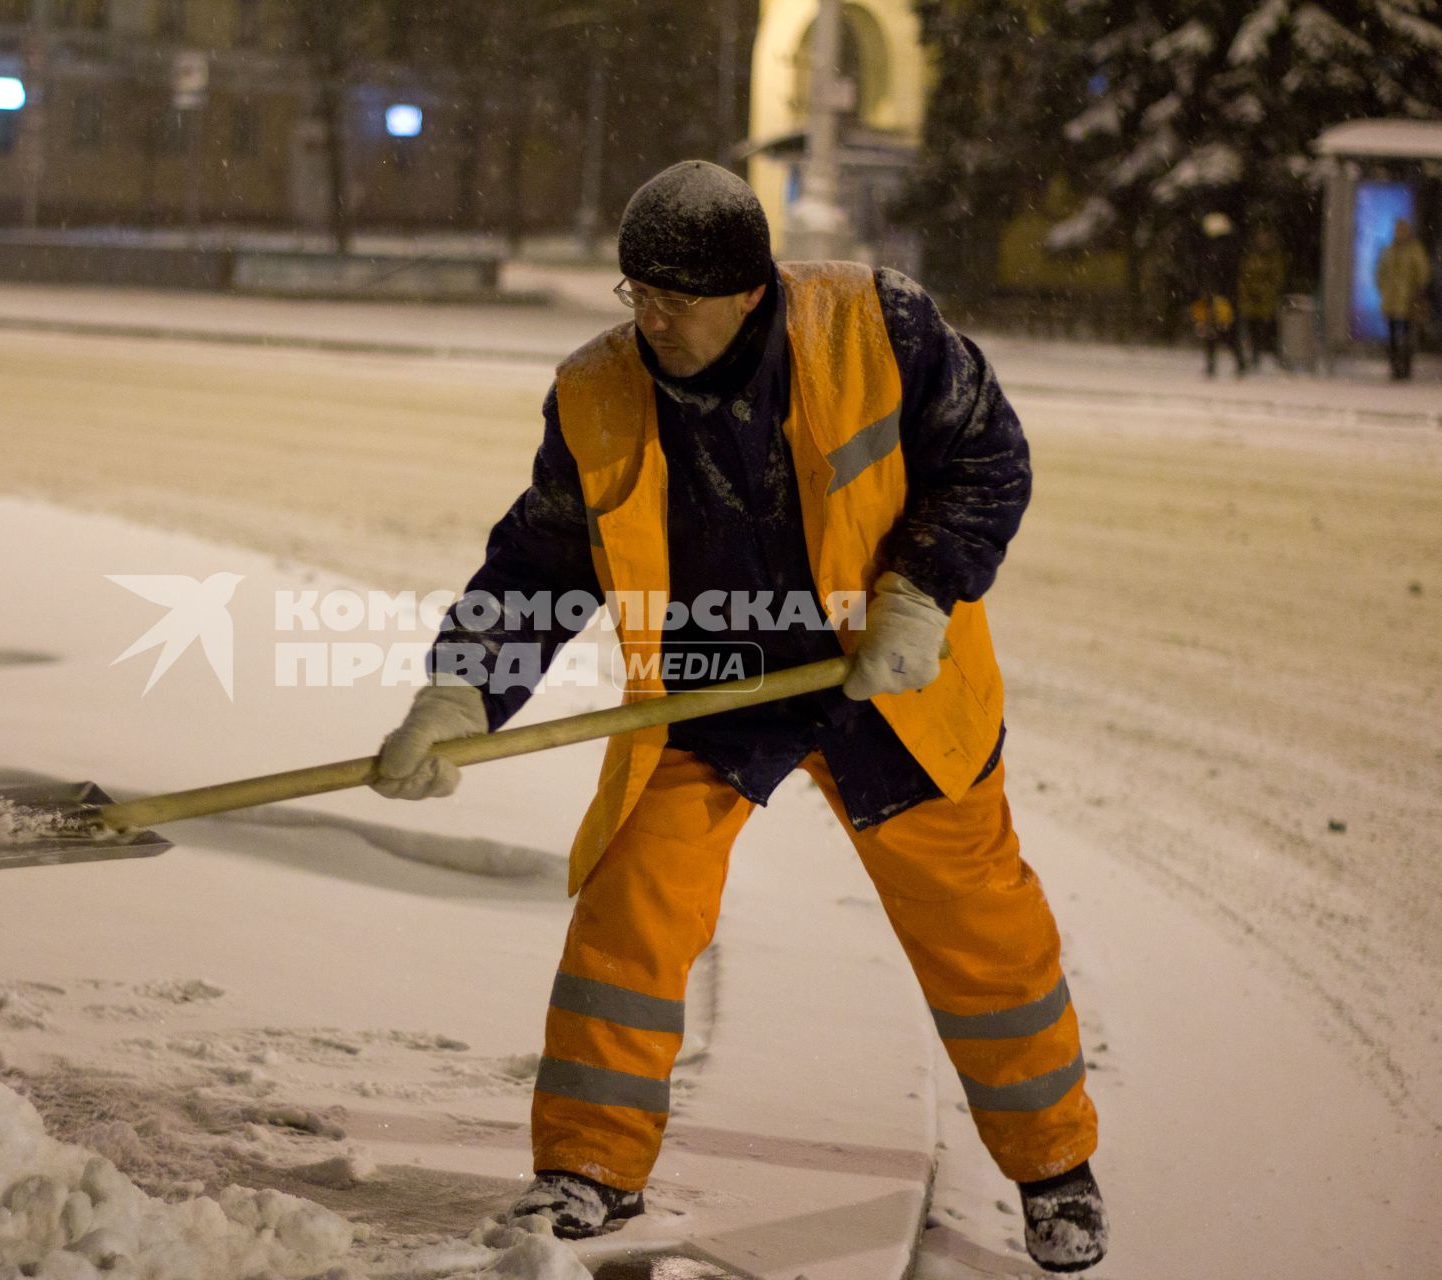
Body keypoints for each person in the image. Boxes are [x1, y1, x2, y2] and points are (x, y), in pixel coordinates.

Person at [370, 161, 1106, 1274]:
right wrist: (459, 690)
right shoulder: (597, 392)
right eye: (635, 292)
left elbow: (987, 458)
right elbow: (537, 563)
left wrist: (921, 590)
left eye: (674, 295)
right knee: (629, 909)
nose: (650, 317)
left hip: (887, 681)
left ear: (749, 291)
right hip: (714, 684)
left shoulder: (879, 327)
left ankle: (1055, 1169)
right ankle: (589, 1164)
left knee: (980, 928)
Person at [1375, 219, 1431, 381]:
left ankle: (1404, 367)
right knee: (1393, 336)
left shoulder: (1413, 251)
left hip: (1408, 301)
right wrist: (1384, 289)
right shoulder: (1389, 251)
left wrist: (1416, 291)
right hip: (1392, 301)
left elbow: (1422, 273)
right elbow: (1380, 273)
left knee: (1406, 335)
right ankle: (1395, 367)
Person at [1191, 211, 1245, 377]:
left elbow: (1212, 272)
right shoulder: (1227, 247)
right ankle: (1235, 362)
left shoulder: (1216, 249)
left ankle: (1218, 364)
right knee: (1222, 329)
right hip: (1223, 294)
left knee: (1216, 330)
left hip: (1218, 294)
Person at [1237, 225, 1288, 371]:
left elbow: (1277, 279)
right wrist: (1249, 292)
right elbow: (1244, 278)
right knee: (1252, 330)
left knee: (1269, 330)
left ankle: (1276, 357)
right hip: (1251, 302)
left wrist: (1263, 290)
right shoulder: (1251, 256)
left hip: (1266, 302)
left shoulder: (1274, 257)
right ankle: (1255, 356)